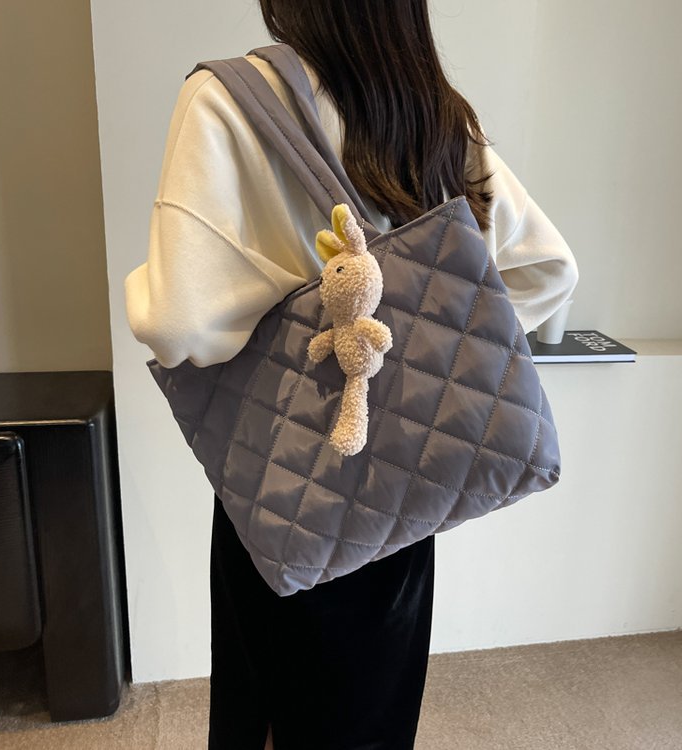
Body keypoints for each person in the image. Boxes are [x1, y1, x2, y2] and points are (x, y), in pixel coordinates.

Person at [124, 2, 579, 748]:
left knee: (267, 709)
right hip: (407, 482)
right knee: (374, 714)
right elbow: (547, 271)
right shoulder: (432, 109)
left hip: (283, 474)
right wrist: (428, 338)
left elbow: (179, 325)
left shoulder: (227, 98)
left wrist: (150, 287)